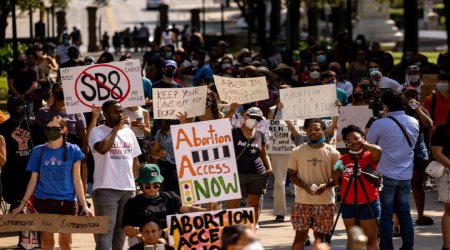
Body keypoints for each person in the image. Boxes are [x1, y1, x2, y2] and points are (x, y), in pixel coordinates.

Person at [12, 115, 94, 250]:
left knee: (66, 244)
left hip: (67, 202)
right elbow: (33, 180)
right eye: (48, 128)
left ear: (63, 129)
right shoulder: (39, 150)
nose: (51, 131)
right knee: (47, 244)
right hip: (44, 202)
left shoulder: (74, 150)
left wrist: (84, 205)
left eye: (55, 128)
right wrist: (22, 204)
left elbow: (77, 179)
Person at [367, 89, 419, 250]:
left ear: (385, 105)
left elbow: (369, 147)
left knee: (386, 214)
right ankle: (408, 246)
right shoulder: (413, 121)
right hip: (405, 175)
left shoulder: (379, 124)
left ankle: (387, 247)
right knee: (405, 212)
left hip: (386, 175)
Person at [89, 100, 142, 250]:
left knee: (120, 234)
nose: (120, 115)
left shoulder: (129, 132)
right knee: (105, 234)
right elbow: (102, 149)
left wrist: (135, 184)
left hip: (128, 190)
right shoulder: (97, 132)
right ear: (105, 114)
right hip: (106, 189)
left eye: (121, 111)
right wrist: (115, 130)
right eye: (115, 112)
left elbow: (135, 161)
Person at [288, 118, 340, 250]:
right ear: (305, 132)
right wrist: (305, 187)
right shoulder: (297, 151)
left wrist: (326, 186)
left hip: (325, 202)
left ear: (324, 131)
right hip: (302, 202)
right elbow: (292, 175)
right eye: (310, 129)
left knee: (320, 240)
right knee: (299, 238)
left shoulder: (334, 153)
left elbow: (338, 178)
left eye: (317, 129)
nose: (313, 132)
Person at [122, 164, 205, 242]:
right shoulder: (132, 203)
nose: (152, 189)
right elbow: (126, 229)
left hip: (167, 238)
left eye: (155, 185)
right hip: (142, 240)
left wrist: (204, 210)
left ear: (160, 184)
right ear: (141, 185)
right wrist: (145, 232)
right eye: (147, 186)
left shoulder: (170, 197)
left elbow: (186, 208)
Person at [334, 125, 382, 250]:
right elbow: (335, 176)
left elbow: (378, 150)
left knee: (371, 239)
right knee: (353, 240)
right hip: (348, 203)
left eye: (356, 138)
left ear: (363, 138)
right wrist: (337, 171)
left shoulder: (369, 155)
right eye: (349, 140)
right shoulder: (343, 158)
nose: (353, 142)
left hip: (369, 202)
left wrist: (362, 143)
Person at [226, 106, 273, 226]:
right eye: (252, 117)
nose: (254, 120)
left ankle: (251, 231)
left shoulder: (260, 135)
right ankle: (232, 232)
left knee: (254, 205)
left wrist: (269, 168)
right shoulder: (233, 132)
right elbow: (221, 124)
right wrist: (231, 110)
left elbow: (264, 154)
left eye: (258, 119)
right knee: (233, 205)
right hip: (237, 174)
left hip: (257, 174)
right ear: (245, 116)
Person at [402, 87, 434, 226]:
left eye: (413, 94)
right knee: (400, 185)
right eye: (407, 95)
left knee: (416, 184)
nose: (410, 97)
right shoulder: (399, 110)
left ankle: (420, 215)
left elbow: (429, 125)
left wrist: (418, 109)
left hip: (418, 148)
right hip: (401, 147)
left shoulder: (421, 110)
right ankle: (399, 218)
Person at [430, 110, 450, 250]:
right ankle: (447, 245)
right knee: (449, 210)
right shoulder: (443, 129)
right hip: (447, 172)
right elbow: (436, 152)